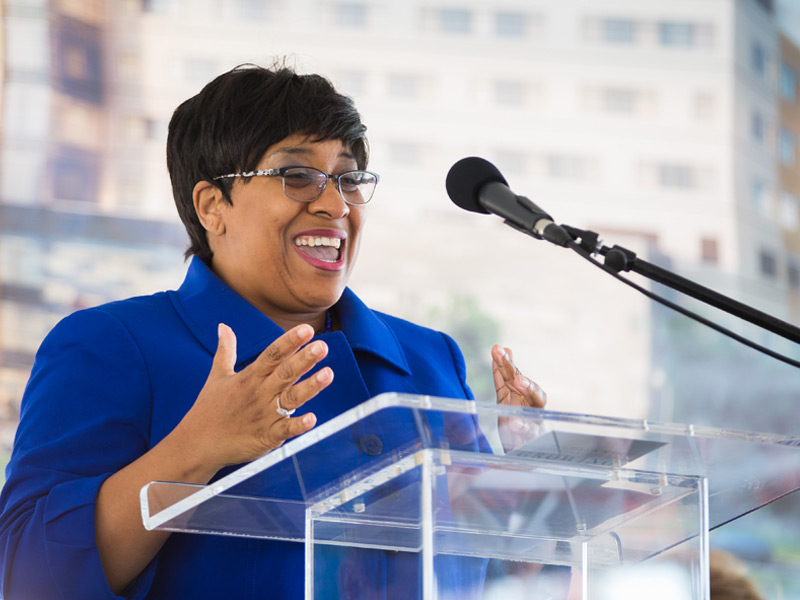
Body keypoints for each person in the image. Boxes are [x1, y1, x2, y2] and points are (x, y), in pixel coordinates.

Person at [0, 63, 547, 599]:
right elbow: (25, 575)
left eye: (349, 177)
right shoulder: (109, 346)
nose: (336, 204)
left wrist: (532, 481)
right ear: (213, 206)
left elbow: (493, 574)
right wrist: (195, 449)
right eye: (298, 176)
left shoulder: (430, 359)